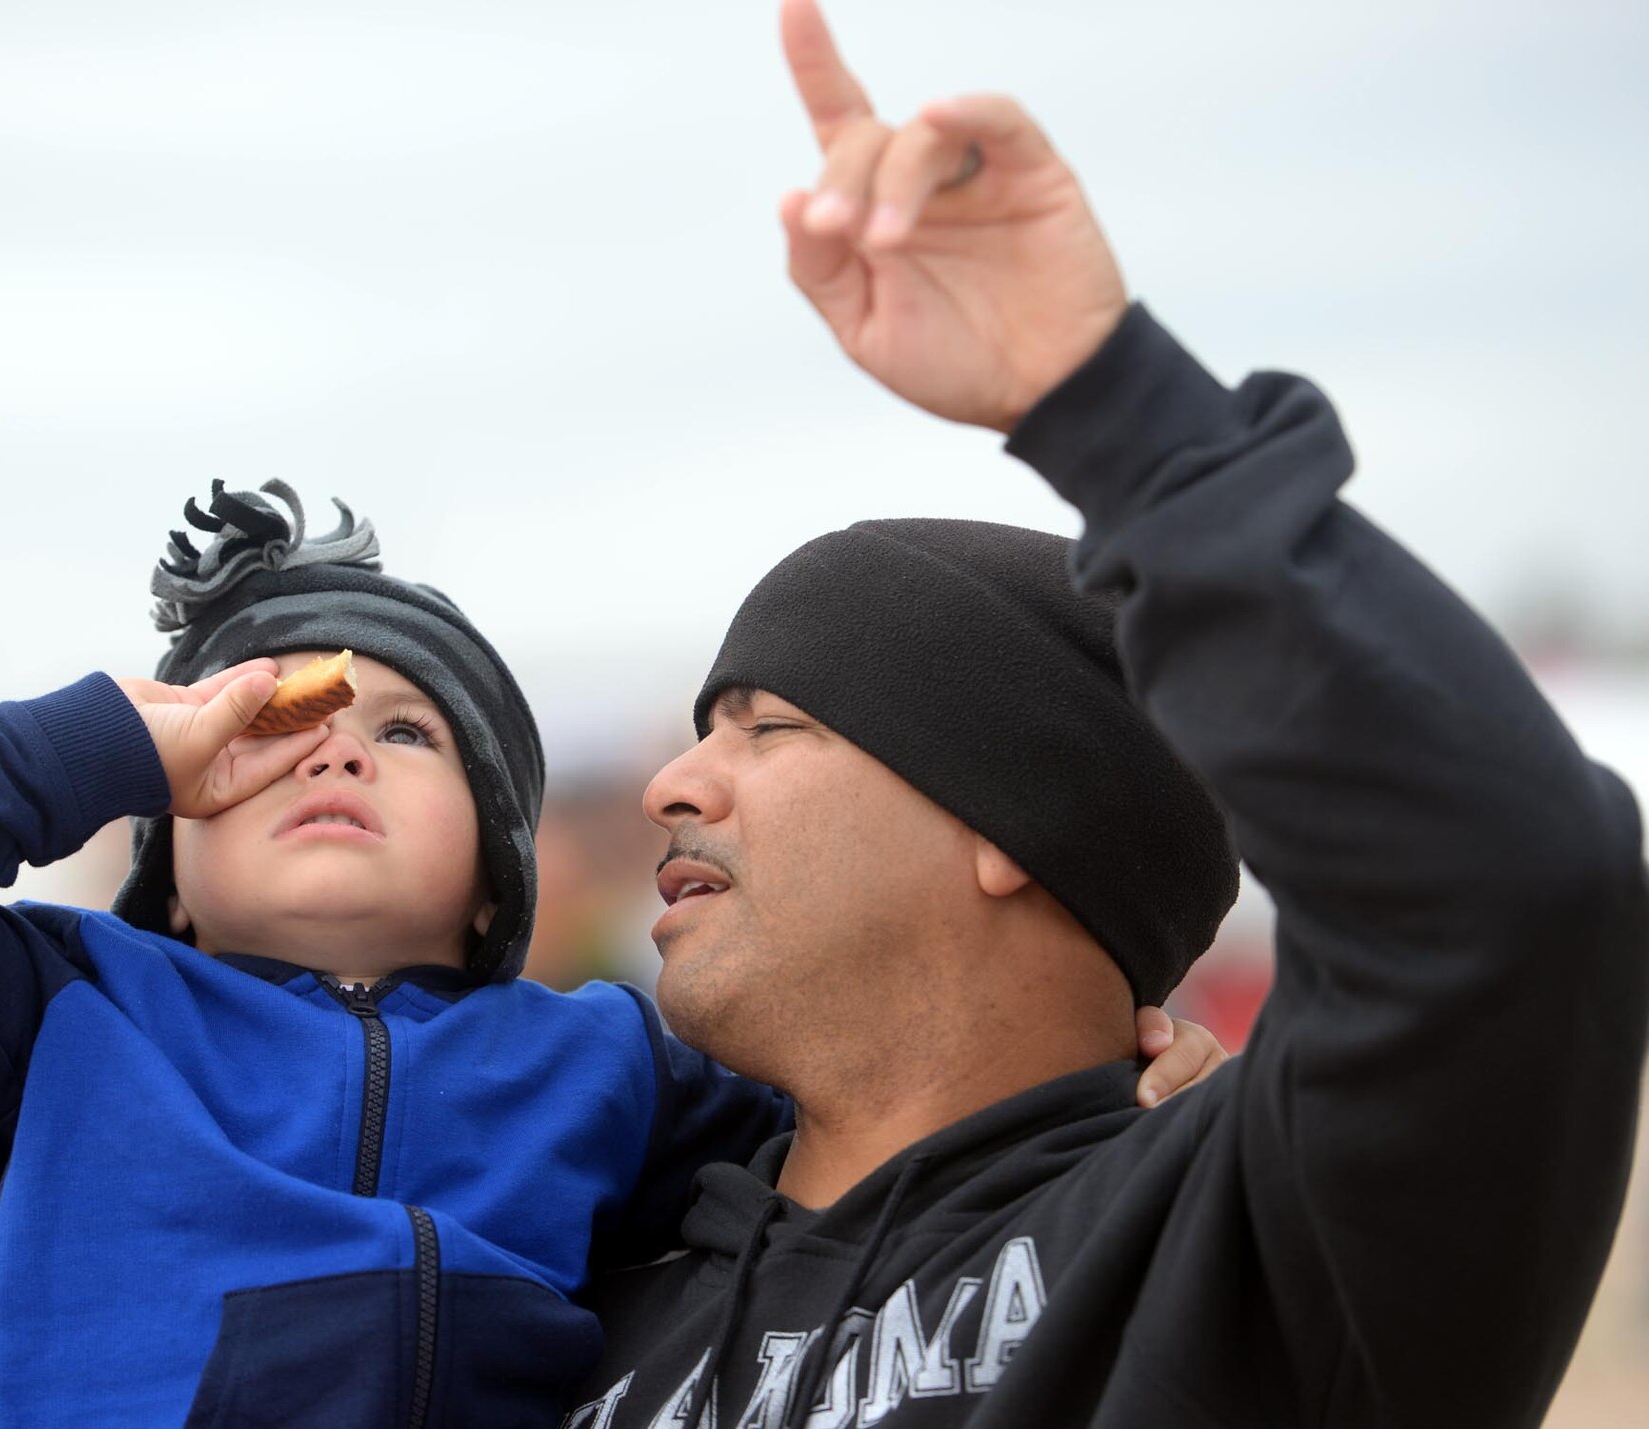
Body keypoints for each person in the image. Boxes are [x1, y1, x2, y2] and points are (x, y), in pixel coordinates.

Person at [564, 4, 1649, 1428]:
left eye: (771, 727)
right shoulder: (564, 1290)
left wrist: (1107, 399)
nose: (671, 785)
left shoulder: (1243, 1252)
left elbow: (1515, 882)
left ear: (1009, 822)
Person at [0, 478, 1220, 1426]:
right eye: (260, 737)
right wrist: (107, 741)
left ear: (489, 883)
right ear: (170, 869)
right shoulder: (76, 1015)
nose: (333, 756)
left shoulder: (599, 1058)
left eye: (408, 734)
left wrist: (1115, 1098)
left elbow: (883, 1118)